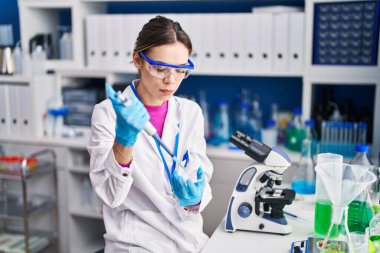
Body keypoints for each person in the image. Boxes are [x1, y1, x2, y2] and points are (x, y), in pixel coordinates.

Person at [88, 15, 213, 253]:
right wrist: (124, 140)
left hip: (188, 237)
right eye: (160, 68)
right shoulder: (108, 114)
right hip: (134, 242)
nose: (171, 80)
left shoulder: (190, 112)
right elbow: (110, 195)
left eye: (180, 71)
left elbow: (200, 177)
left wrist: (194, 199)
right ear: (138, 59)